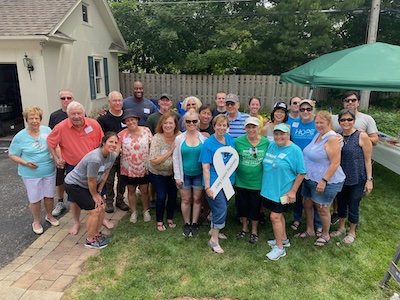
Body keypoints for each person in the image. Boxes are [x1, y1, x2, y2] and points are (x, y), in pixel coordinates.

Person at [47, 102, 106, 235]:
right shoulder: (61, 127)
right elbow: (50, 142)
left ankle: (101, 219)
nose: (77, 116)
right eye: (73, 114)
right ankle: (76, 222)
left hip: (94, 165)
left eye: (79, 113)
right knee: (74, 197)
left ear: (83, 113)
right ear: (68, 115)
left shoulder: (94, 124)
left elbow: (101, 142)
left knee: (99, 192)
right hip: (74, 167)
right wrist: (57, 159)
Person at [9, 106, 59, 234]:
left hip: (49, 170)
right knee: (35, 198)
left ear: (40, 119)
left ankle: (49, 215)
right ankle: (36, 221)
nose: (34, 121)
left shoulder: (47, 130)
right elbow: (12, 154)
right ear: (26, 120)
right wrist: (25, 163)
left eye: (37, 118)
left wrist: (58, 158)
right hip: (30, 173)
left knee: (49, 196)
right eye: (31, 118)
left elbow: (55, 145)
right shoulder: (20, 137)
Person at [64, 132, 119, 249]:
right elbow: (91, 181)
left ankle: (97, 234)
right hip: (74, 185)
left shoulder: (112, 155)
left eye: (116, 142)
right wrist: (95, 195)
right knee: (95, 210)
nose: (113, 145)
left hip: (88, 185)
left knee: (102, 207)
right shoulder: (95, 158)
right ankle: (90, 240)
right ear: (103, 143)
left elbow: (106, 174)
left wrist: (99, 191)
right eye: (110, 142)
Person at [331, 90, 378, 224]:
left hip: (357, 170)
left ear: (358, 102)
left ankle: (352, 226)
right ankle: (338, 218)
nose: (350, 102)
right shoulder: (335, 119)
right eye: (347, 100)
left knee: (353, 201)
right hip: (340, 169)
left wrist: (360, 136)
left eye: (353, 100)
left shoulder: (366, 119)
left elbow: (374, 142)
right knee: (340, 199)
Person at [299, 111, 345, 246]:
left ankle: (325, 234)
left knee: (322, 208)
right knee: (307, 203)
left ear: (329, 123)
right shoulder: (319, 135)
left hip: (324, 180)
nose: (318, 125)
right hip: (310, 177)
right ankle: (310, 229)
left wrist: (324, 180)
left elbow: (335, 163)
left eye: (321, 123)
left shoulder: (331, 139)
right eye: (317, 122)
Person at [261, 123, 305, 260]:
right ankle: (284, 239)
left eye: (282, 134)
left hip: (283, 191)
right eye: (276, 134)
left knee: (274, 217)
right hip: (270, 189)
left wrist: (293, 191)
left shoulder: (294, 150)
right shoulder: (272, 145)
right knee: (278, 216)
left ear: (288, 134)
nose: (279, 136)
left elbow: (301, 172)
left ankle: (279, 248)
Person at [330, 109, 373, 244]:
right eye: (343, 120)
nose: (346, 122)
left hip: (357, 178)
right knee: (341, 203)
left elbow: (367, 160)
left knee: (353, 205)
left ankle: (352, 231)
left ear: (354, 121)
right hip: (341, 178)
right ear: (339, 122)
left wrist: (369, 179)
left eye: (349, 119)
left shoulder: (362, 136)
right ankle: (341, 227)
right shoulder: (337, 136)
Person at [199, 114, 236, 254]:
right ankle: (214, 239)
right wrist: (207, 187)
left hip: (229, 181)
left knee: (223, 206)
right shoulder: (208, 143)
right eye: (219, 125)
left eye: (224, 125)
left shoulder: (230, 140)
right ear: (214, 126)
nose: (221, 127)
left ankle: (213, 229)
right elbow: (205, 167)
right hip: (214, 182)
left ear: (227, 127)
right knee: (220, 208)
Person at [234, 117, 269, 244]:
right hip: (241, 180)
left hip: (257, 182)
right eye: (248, 127)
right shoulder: (238, 141)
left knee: (255, 207)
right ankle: (244, 228)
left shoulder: (266, 142)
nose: (251, 129)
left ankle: (254, 231)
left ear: (258, 128)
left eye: (254, 127)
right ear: (245, 128)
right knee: (242, 205)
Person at [289, 99, 322, 234]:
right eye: (302, 109)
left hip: (314, 166)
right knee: (297, 193)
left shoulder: (318, 124)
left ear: (312, 110)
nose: (305, 112)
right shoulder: (294, 124)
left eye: (308, 109)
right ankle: (297, 218)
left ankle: (318, 223)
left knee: (315, 195)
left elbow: (330, 134)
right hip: (297, 165)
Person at [173, 110, 207, 236]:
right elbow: (176, 158)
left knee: (197, 199)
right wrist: (177, 177)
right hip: (184, 174)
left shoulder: (203, 139)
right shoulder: (179, 139)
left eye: (194, 121)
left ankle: (194, 223)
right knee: (186, 199)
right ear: (184, 123)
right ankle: (187, 223)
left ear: (198, 122)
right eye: (188, 121)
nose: (191, 123)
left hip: (199, 174)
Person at [97, 91, 129, 213]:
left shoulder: (127, 117)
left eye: (120, 100)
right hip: (109, 156)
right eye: (114, 100)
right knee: (108, 179)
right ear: (109, 102)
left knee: (123, 179)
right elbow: (100, 137)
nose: (117, 103)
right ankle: (109, 201)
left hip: (125, 155)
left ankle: (120, 199)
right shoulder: (103, 119)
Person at [118, 109, 153, 223]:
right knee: (131, 190)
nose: (130, 122)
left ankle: (145, 211)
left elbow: (151, 146)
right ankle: (133, 212)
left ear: (137, 120)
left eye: (132, 119)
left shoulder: (146, 131)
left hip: (143, 166)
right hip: (128, 168)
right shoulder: (122, 134)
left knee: (144, 190)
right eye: (127, 121)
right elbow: (116, 148)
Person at [148, 113, 180, 231]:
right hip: (158, 173)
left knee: (172, 196)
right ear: (161, 124)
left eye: (171, 123)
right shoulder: (157, 138)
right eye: (165, 123)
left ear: (175, 124)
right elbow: (154, 161)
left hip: (173, 173)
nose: (168, 125)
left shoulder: (180, 137)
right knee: (161, 196)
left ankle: (170, 218)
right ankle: (159, 221)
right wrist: (170, 151)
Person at [48, 89, 74, 217]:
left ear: (72, 99)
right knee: (60, 179)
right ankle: (60, 202)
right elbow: (52, 138)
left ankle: (76, 202)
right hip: (60, 154)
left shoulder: (78, 113)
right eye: (63, 98)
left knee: (75, 178)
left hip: (74, 153)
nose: (66, 100)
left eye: (68, 98)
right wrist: (58, 157)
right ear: (60, 100)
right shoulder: (54, 116)